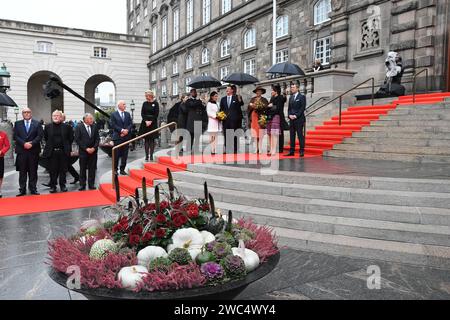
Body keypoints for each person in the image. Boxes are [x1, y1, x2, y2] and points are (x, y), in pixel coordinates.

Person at [13, 107, 44, 197]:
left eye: (28, 112)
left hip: (33, 151)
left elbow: (40, 136)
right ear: (22, 114)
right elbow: (15, 136)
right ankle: (22, 189)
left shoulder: (37, 123)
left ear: (31, 113)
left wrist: (32, 143)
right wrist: (24, 144)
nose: (26, 114)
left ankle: (33, 188)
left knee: (33, 171)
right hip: (22, 151)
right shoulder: (17, 124)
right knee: (22, 171)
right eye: (24, 112)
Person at [42, 110, 74, 193]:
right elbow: (46, 138)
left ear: (61, 117)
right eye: (54, 116)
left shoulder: (67, 127)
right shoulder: (48, 126)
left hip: (63, 152)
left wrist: (67, 148)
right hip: (52, 152)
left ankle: (63, 185)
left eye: (57, 116)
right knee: (52, 170)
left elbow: (70, 139)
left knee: (63, 170)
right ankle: (53, 186)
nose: (55, 117)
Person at [75, 113, 100, 191]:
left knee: (92, 169)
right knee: (82, 169)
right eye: (90, 118)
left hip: (93, 152)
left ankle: (91, 184)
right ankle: (82, 185)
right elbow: (77, 139)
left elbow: (97, 139)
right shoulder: (79, 127)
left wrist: (94, 148)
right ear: (85, 119)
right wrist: (86, 149)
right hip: (83, 152)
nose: (92, 120)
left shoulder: (94, 126)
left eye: (92, 118)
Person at [111, 100, 133, 175]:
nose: (125, 105)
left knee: (125, 154)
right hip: (117, 137)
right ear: (119, 105)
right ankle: (115, 170)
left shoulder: (127, 114)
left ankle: (122, 169)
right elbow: (113, 125)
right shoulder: (114, 114)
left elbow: (130, 123)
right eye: (123, 104)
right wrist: (122, 130)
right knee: (116, 155)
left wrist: (127, 130)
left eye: (125, 104)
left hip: (126, 137)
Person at [220, 85, 244, 154]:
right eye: (226, 89)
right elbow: (221, 109)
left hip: (234, 120)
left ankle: (235, 149)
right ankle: (227, 148)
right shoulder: (223, 99)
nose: (227, 90)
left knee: (235, 135)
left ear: (232, 90)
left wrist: (240, 99)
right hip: (226, 120)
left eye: (228, 89)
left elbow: (241, 104)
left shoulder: (236, 97)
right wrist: (221, 116)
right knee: (226, 134)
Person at [285, 84, 307, 158]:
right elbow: (289, 109)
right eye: (291, 87)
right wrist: (289, 115)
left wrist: (296, 115)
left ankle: (301, 151)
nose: (292, 89)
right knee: (292, 135)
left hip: (299, 119)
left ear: (297, 88)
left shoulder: (302, 97)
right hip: (291, 119)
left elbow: (302, 107)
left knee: (300, 135)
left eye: (293, 87)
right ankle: (291, 151)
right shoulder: (291, 97)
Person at [139, 91, 160, 161]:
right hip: (145, 123)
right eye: (145, 96)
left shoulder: (155, 103)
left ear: (150, 95)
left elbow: (156, 114)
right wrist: (146, 121)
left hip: (153, 123)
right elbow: (142, 113)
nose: (146, 97)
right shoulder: (144, 103)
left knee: (152, 140)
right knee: (146, 140)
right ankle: (146, 156)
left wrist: (151, 121)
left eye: (147, 96)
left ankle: (151, 155)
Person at [248, 87, 269, 154]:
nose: (258, 92)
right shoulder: (252, 99)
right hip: (254, 117)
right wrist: (251, 105)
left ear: (261, 92)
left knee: (260, 133)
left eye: (259, 91)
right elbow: (248, 108)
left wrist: (260, 106)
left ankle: (260, 148)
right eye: (257, 91)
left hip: (261, 117)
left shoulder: (264, 99)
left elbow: (266, 107)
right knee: (254, 133)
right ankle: (256, 148)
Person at [185, 88, 206, 154]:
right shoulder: (188, 101)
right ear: (191, 93)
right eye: (193, 92)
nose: (195, 93)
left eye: (195, 92)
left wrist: (203, 103)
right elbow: (192, 105)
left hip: (198, 120)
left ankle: (196, 150)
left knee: (197, 136)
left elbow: (202, 109)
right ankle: (189, 150)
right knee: (190, 137)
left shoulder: (198, 101)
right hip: (191, 122)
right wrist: (199, 101)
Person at [267, 84, 284, 156]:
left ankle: (274, 150)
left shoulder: (280, 97)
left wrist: (272, 106)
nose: (271, 92)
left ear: (276, 91)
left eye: (272, 90)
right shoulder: (272, 98)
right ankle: (271, 149)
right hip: (270, 117)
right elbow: (268, 107)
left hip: (276, 116)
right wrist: (270, 106)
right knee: (269, 134)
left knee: (274, 134)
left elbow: (278, 108)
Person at [0, 130, 11, 198]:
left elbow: (7, 146)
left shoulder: (3, 134)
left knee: (0, 175)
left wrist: (1, 151)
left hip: (0, 157)